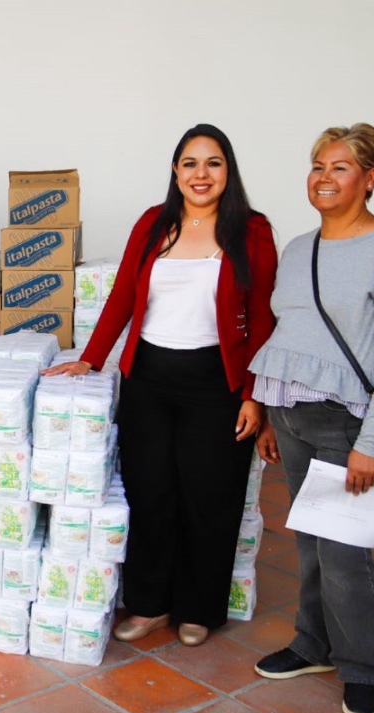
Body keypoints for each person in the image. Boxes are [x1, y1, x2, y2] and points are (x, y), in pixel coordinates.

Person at [42, 124, 278, 647]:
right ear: (176, 170)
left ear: (228, 171)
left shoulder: (252, 230)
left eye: (213, 163)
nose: (201, 174)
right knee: (151, 493)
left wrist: (254, 395)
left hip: (216, 382)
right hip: (148, 379)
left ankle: (200, 608)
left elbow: (262, 319)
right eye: (190, 163)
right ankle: (150, 604)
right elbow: (124, 293)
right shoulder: (154, 223)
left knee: (209, 498)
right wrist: (91, 358)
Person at [250, 124, 374, 713]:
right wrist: (267, 412)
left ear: (369, 178)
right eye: (318, 165)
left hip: (345, 421)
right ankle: (312, 644)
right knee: (310, 539)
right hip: (289, 412)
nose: (324, 177)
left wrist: (373, 444)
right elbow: (288, 334)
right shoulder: (298, 249)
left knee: (345, 551)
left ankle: (364, 668)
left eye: (341, 167)